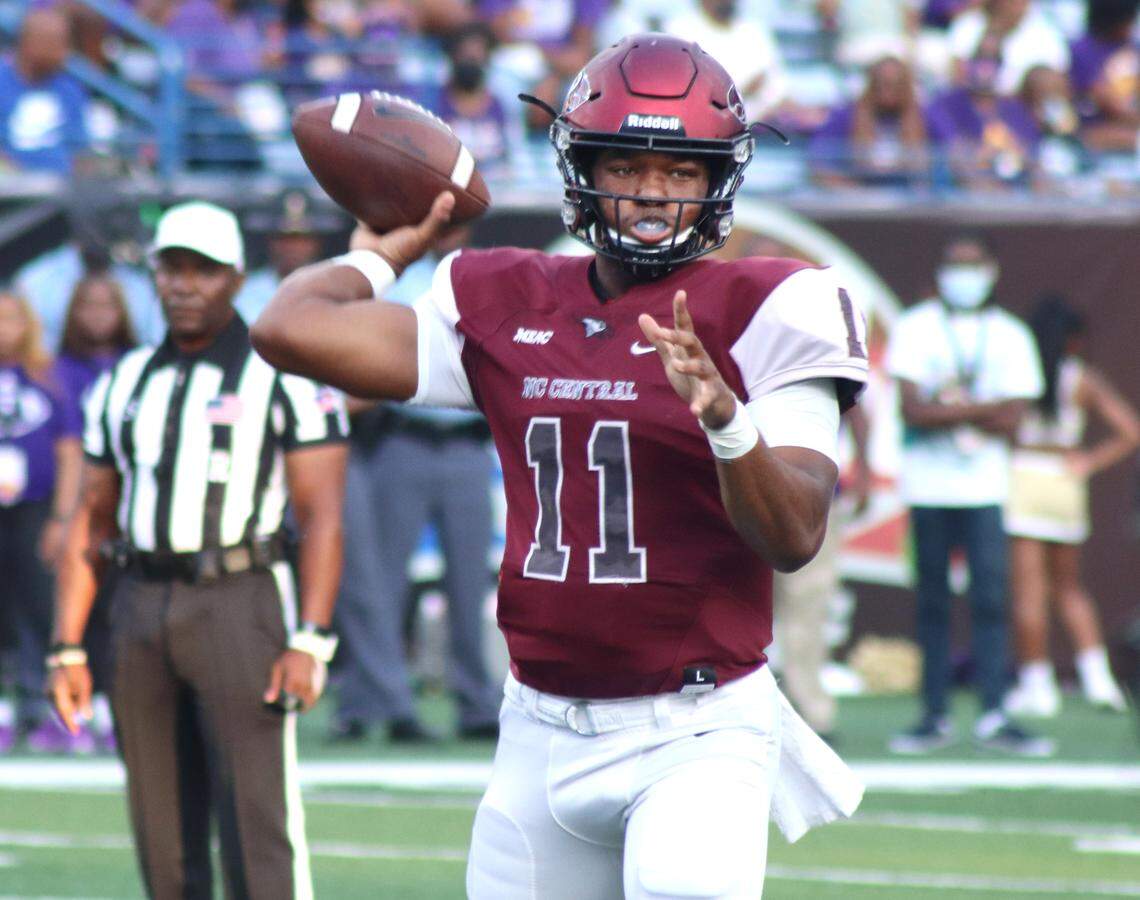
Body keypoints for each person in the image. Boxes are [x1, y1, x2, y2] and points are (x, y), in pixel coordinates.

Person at [254, 34, 867, 897]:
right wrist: (383, 249)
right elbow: (288, 329)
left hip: (695, 730)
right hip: (538, 724)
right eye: (625, 165)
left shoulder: (772, 304)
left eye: (681, 169)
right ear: (581, 168)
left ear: (719, 178)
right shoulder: (506, 296)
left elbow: (796, 533)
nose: (652, 191)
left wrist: (726, 420)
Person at [48, 201, 349, 898]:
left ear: (237, 277)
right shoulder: (123, 382)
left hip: (238, 596)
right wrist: (67, 644)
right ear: (153, 275)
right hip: (140, 601)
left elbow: (324, 515)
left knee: (256, 820)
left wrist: (312, 637)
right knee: (160, 827)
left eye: (203, 271)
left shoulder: (285, 374)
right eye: (172, 269)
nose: (185, 285)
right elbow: (90, 519)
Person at [329, 224, 501, 745]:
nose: (450, 233)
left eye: (458, 224)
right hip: (401, 436)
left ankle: (476, 703)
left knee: (471, 582)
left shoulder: (489, 279)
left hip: (469, 440)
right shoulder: (400, 281)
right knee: (381, 582)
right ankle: (374, 703)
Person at [886, 233, 1054, 757]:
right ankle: (933, 713)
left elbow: (1015, 420)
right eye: (955, 265)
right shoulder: (915, 328)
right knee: (931, 602)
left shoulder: (1009, 334)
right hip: (929, 487)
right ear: (938, 273)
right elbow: (911, 410)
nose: (964, 274)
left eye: (973, 264)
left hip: (985, 488)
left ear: (991, 270)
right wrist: (982, 408)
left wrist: (948, 410)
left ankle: (994, 711)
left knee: (989, 600)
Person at [1004, 296, 1140, 716]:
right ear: (1074, 342)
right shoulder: (1083, 379)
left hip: (1025, 476)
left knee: (1030, 591)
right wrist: (1089, 461)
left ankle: (1038, 685)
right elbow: (1130, 431)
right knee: (1069, 587)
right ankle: (1099, 681)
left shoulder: (1017, 376)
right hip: (1065, 481)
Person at [54, 273, 139, 753]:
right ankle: (70, 701)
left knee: (117, 606)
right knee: (71, 606)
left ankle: (112, 701)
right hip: (77, 504)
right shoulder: (55, 369)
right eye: (88, 305)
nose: (98, 315)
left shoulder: (141, 366)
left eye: (108, 305)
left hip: (128, 507)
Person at [0, 291, 83, 753]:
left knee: (40, 606)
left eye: (11, 318)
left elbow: (69, 451)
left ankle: (49, 702)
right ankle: (7, 709)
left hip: (35, 507)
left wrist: (62, 517)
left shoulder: (50, 377)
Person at [809, 55, 935, 188]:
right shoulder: (848, 114)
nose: (888, 90)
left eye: (895, 84)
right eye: (882, 83)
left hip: (909, 199)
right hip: (861, 199)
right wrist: (851, 190)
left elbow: (952, 153)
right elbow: (817, 161)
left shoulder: (925, 115)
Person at [0, 7, 91, 174]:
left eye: (65, 42)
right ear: (27, 42)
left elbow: (80, 150)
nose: (63, 52)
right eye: (54, 42)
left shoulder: (70, 89)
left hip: (61, 190)